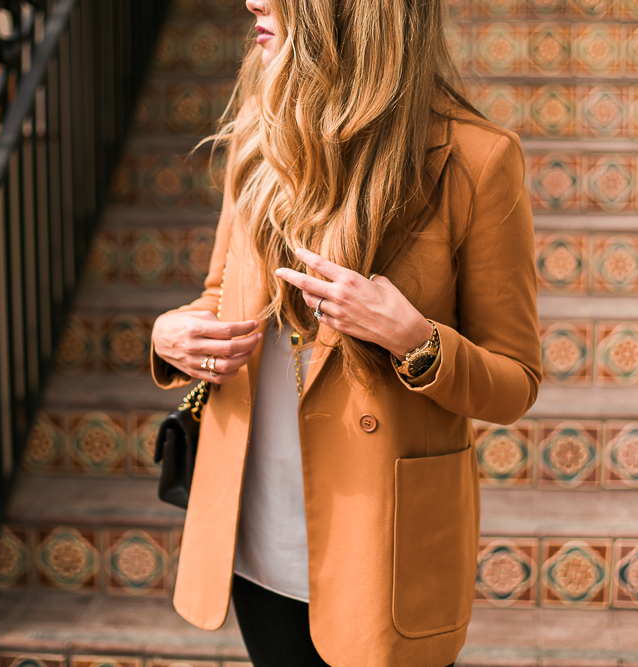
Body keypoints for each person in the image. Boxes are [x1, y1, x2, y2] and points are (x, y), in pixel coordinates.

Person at [149, 0, 542, 665]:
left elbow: (515, 381)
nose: (252, 0)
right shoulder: (261, 125)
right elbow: (221, 292)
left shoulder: (477, 158)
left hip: (382, 551)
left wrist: (414, 338)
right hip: (254, 534)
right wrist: (170, 335)